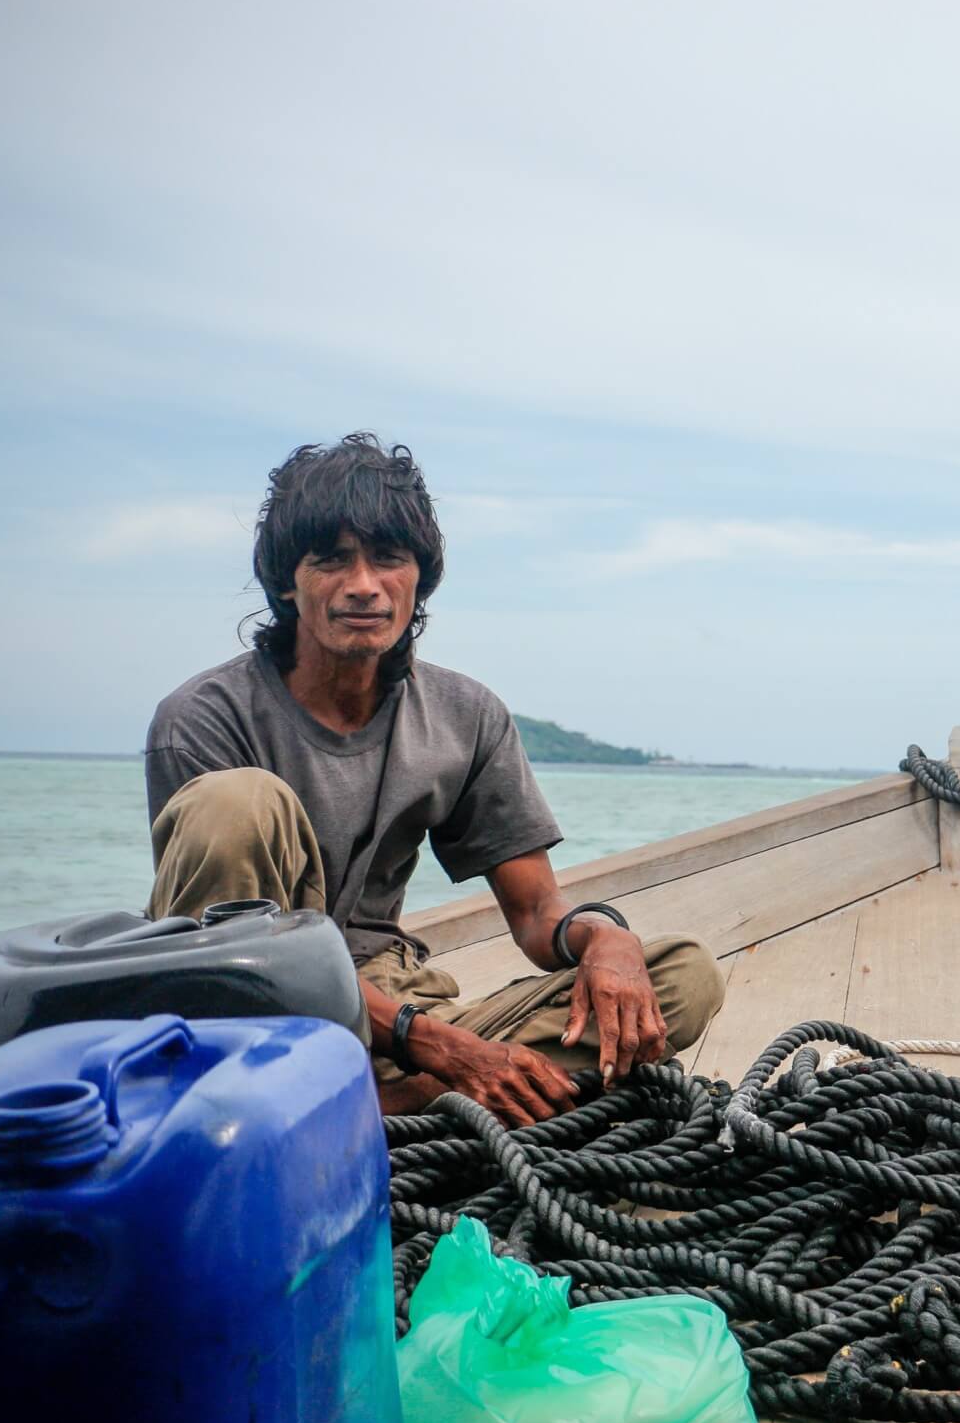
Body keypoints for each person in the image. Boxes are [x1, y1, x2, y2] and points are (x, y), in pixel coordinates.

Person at [142, 433, 723, 1126]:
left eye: (388, 559)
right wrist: (441, 1048)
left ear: (420, 577)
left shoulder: (464, 714)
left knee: (683, 977)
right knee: (237, 800)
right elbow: (233, 956)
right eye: (331, 560)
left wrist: (607, 940)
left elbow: (537, 916)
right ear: (286, 583)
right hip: (253, 1017)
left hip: (396, 1013)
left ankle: (396, 1108)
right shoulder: (205, 719)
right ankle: (416, 1105)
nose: (364, 585)